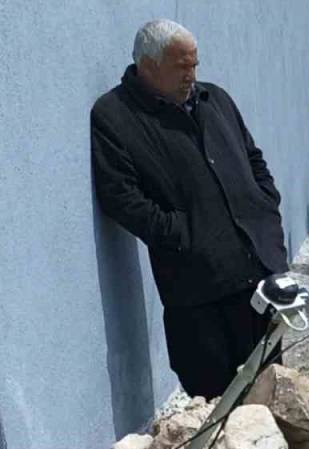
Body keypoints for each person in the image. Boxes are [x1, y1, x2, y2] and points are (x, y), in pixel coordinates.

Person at [92, 19, 289, 399]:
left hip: (258, 274)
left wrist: (265, 205)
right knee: (214, 403)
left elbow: (254, 159)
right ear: (148, 66)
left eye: (195, 65)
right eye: (182, 66)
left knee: (268, 390)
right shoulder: (115, 116)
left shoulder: (216, 100)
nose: (192, 75)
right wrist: (184, 236)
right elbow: (121, 198)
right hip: (198, 291)